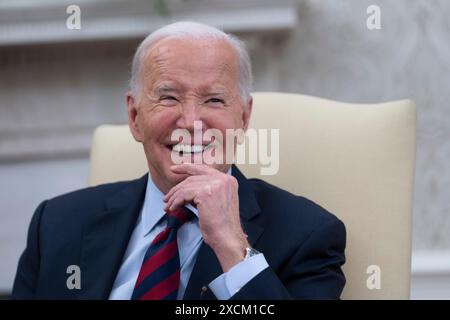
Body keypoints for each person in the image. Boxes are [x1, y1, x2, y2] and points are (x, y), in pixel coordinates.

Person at [12, 21, 346, 300]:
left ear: (243, 118)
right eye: (169, 97)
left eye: (214, 99)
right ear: (134, 116)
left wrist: (233, 249)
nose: (190, 122)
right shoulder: (56, 224)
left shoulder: (307, 235)